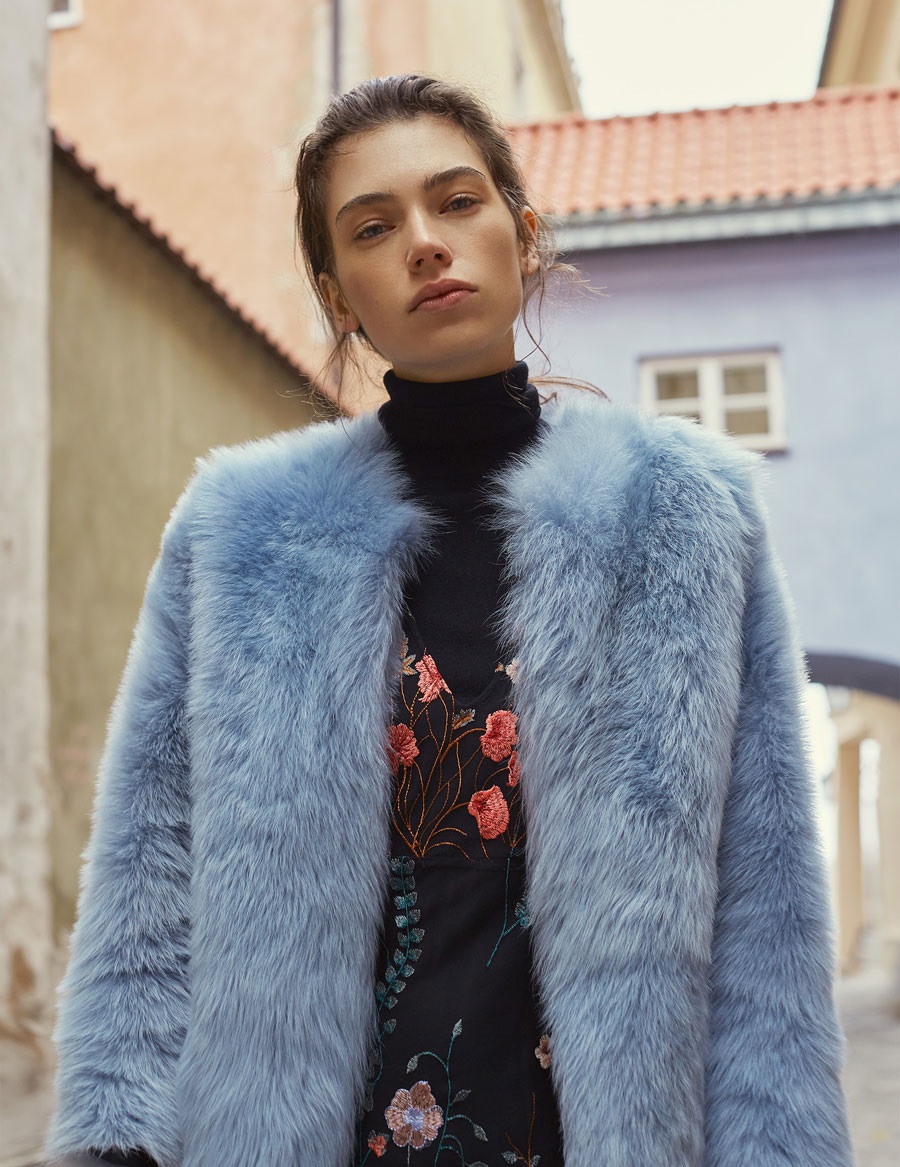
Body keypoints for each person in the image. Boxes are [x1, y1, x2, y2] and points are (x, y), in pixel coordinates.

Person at [44, 75, 853, 1167]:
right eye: (373, 227)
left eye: (457, 201)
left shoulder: (683, 516)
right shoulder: (239, 534)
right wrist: (110, 1138)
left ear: (523, 234)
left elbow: (766, 900)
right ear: (338, 295)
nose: (425, 242)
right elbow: (148, 865)